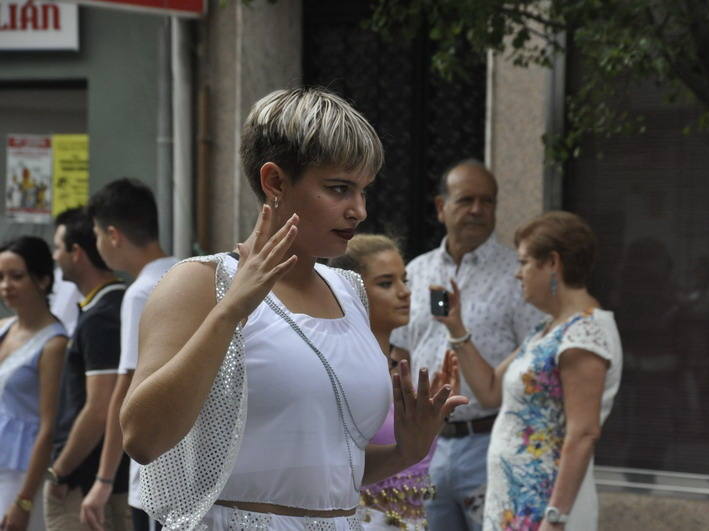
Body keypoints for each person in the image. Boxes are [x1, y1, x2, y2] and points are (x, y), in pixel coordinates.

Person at [119, 87, 467, 530]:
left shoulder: (350, 291)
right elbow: (142, 438)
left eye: (363, 190)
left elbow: (328, 473)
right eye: (339, 188)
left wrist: (406, 451)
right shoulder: (201, 282)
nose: (358, 210)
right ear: (275, 182)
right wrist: (229, 313)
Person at [434, 211, 622, 530]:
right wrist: (456, 328)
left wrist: (555, 517)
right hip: (517, 503)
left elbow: (583, 433)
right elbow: (490, 390)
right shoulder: (547, 329)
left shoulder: (584, 335)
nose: (518, 274)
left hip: (542, 507)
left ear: (552, 263)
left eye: (524, 263)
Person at [390, 159, 542, 530]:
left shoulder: (517, 275)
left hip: (490, 442)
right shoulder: (415, 271)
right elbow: (400, 353)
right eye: (466, 200)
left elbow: (534, 361)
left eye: (487, 201)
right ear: (442, 207)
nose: (478, 209)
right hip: (427, 445)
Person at [330, 235, 459, 530]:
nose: (405, 292)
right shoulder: (341, 369)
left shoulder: (396, 369)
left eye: (404, 279)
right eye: (386, 283)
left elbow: (412, 453)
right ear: (351, 291)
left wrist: (435, 416)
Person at [79, 179, 178, 531]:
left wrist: (104, 481)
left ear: (113, 234)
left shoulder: (140, 293)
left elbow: (125, 390)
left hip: (153, 472)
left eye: (96, 234)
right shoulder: (190, 271)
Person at [46, 208, 130, 530]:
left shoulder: (103, 316)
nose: (55, 256)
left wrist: (61, 470)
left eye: (58, 246)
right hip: (91, 480)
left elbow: (100, 407)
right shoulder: (99, 307)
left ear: (76, 253)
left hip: (87, 484)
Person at [0, 237, 68, 531]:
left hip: (23, 473)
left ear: (42, 280)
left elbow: (47, 427)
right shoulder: (3, 327)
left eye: (16, 276)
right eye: (0, 277)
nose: (5, 286)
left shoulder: (54, 343)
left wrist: (24, 500)